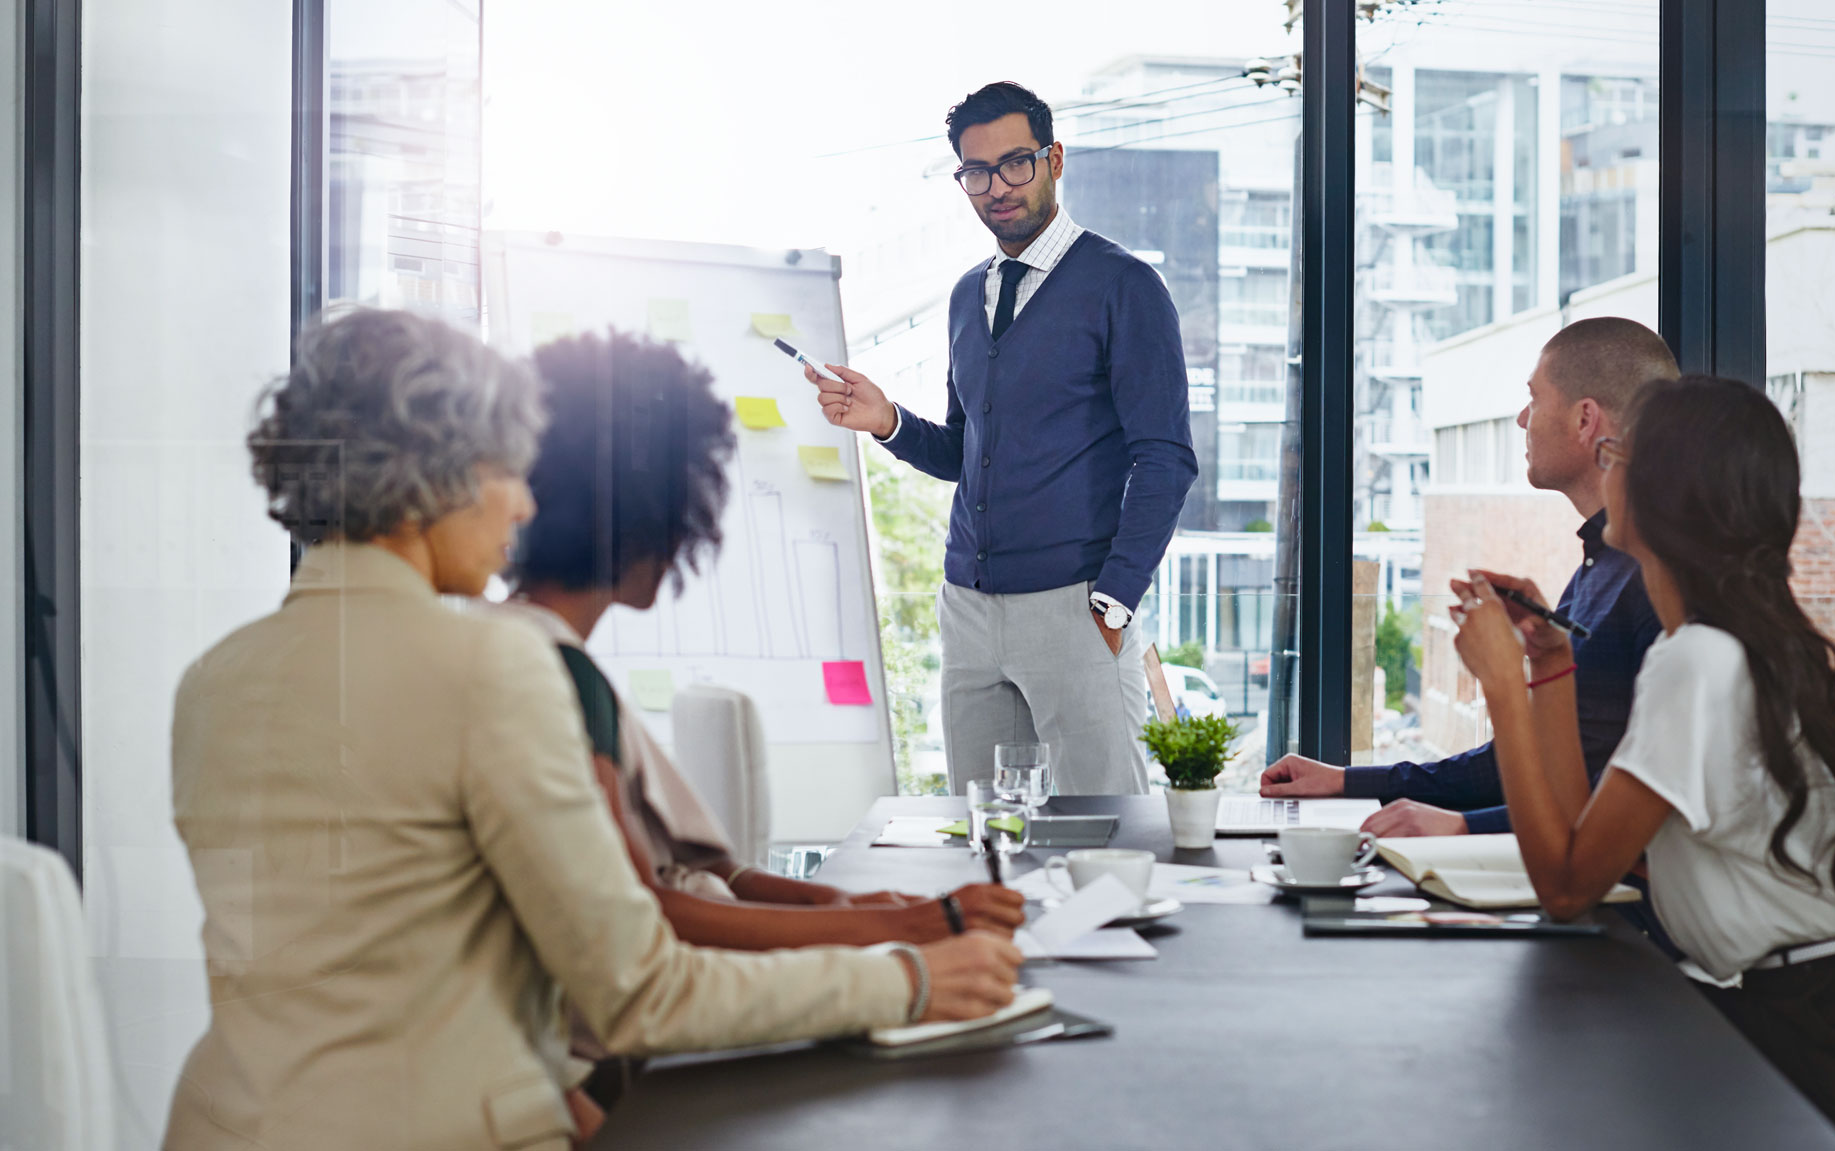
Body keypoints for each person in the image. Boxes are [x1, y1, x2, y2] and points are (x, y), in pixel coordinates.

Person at [165, 309, 1022, 1151]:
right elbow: (642, 990)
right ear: (436, 471)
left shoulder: (213, 681)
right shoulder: (488, 670)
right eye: (506, 465)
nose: (524, 500)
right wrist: (906, 976)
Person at [1444, 374, 1835, 1149]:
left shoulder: (1696, 659)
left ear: (1665, 491)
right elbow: (1581, 848)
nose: (1607, 461)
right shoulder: (1714, 651)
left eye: (1618, 453)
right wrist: (1549, 662)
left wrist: (1500, 686)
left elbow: (1563, 887)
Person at [505, 329, 1025, 949]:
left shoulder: (538, 651)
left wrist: (846, 905)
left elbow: (707, 875)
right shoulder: (551, 677)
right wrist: (901, 928)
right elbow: (653, 914)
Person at [804, 81, 1197, 795]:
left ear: (1054, 159)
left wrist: (1115, 598)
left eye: (1016, 163)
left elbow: (1164, 457)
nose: (997, 187)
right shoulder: (966, 296)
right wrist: (887, 419)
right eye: (976, 172)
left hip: (1076, 607)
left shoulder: (1124, 286)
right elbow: (966, 451)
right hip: (970, 608)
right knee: (986, 836)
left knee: (1104, 834)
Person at [1260, 317, 1673, 837]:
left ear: (1585, 419)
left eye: (1535, 398)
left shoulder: (1659, 581)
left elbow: (1631, 809)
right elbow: (1524, 765)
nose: (1524, 418)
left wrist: (1462, 828)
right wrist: (1349, 781)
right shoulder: (1600, 566)